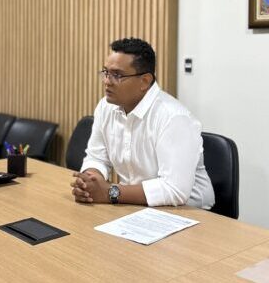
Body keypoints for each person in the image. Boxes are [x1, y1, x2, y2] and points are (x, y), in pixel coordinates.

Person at [70, 38, 214, 209]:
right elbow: (96, 157)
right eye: (105, 72)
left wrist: (109, 192)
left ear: (144, 81)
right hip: (135, 205)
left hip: (189, 212)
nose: (107, 81)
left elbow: (174, 190)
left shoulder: (174, 117)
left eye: (117, 75)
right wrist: (90, 183)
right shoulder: (106, 107)